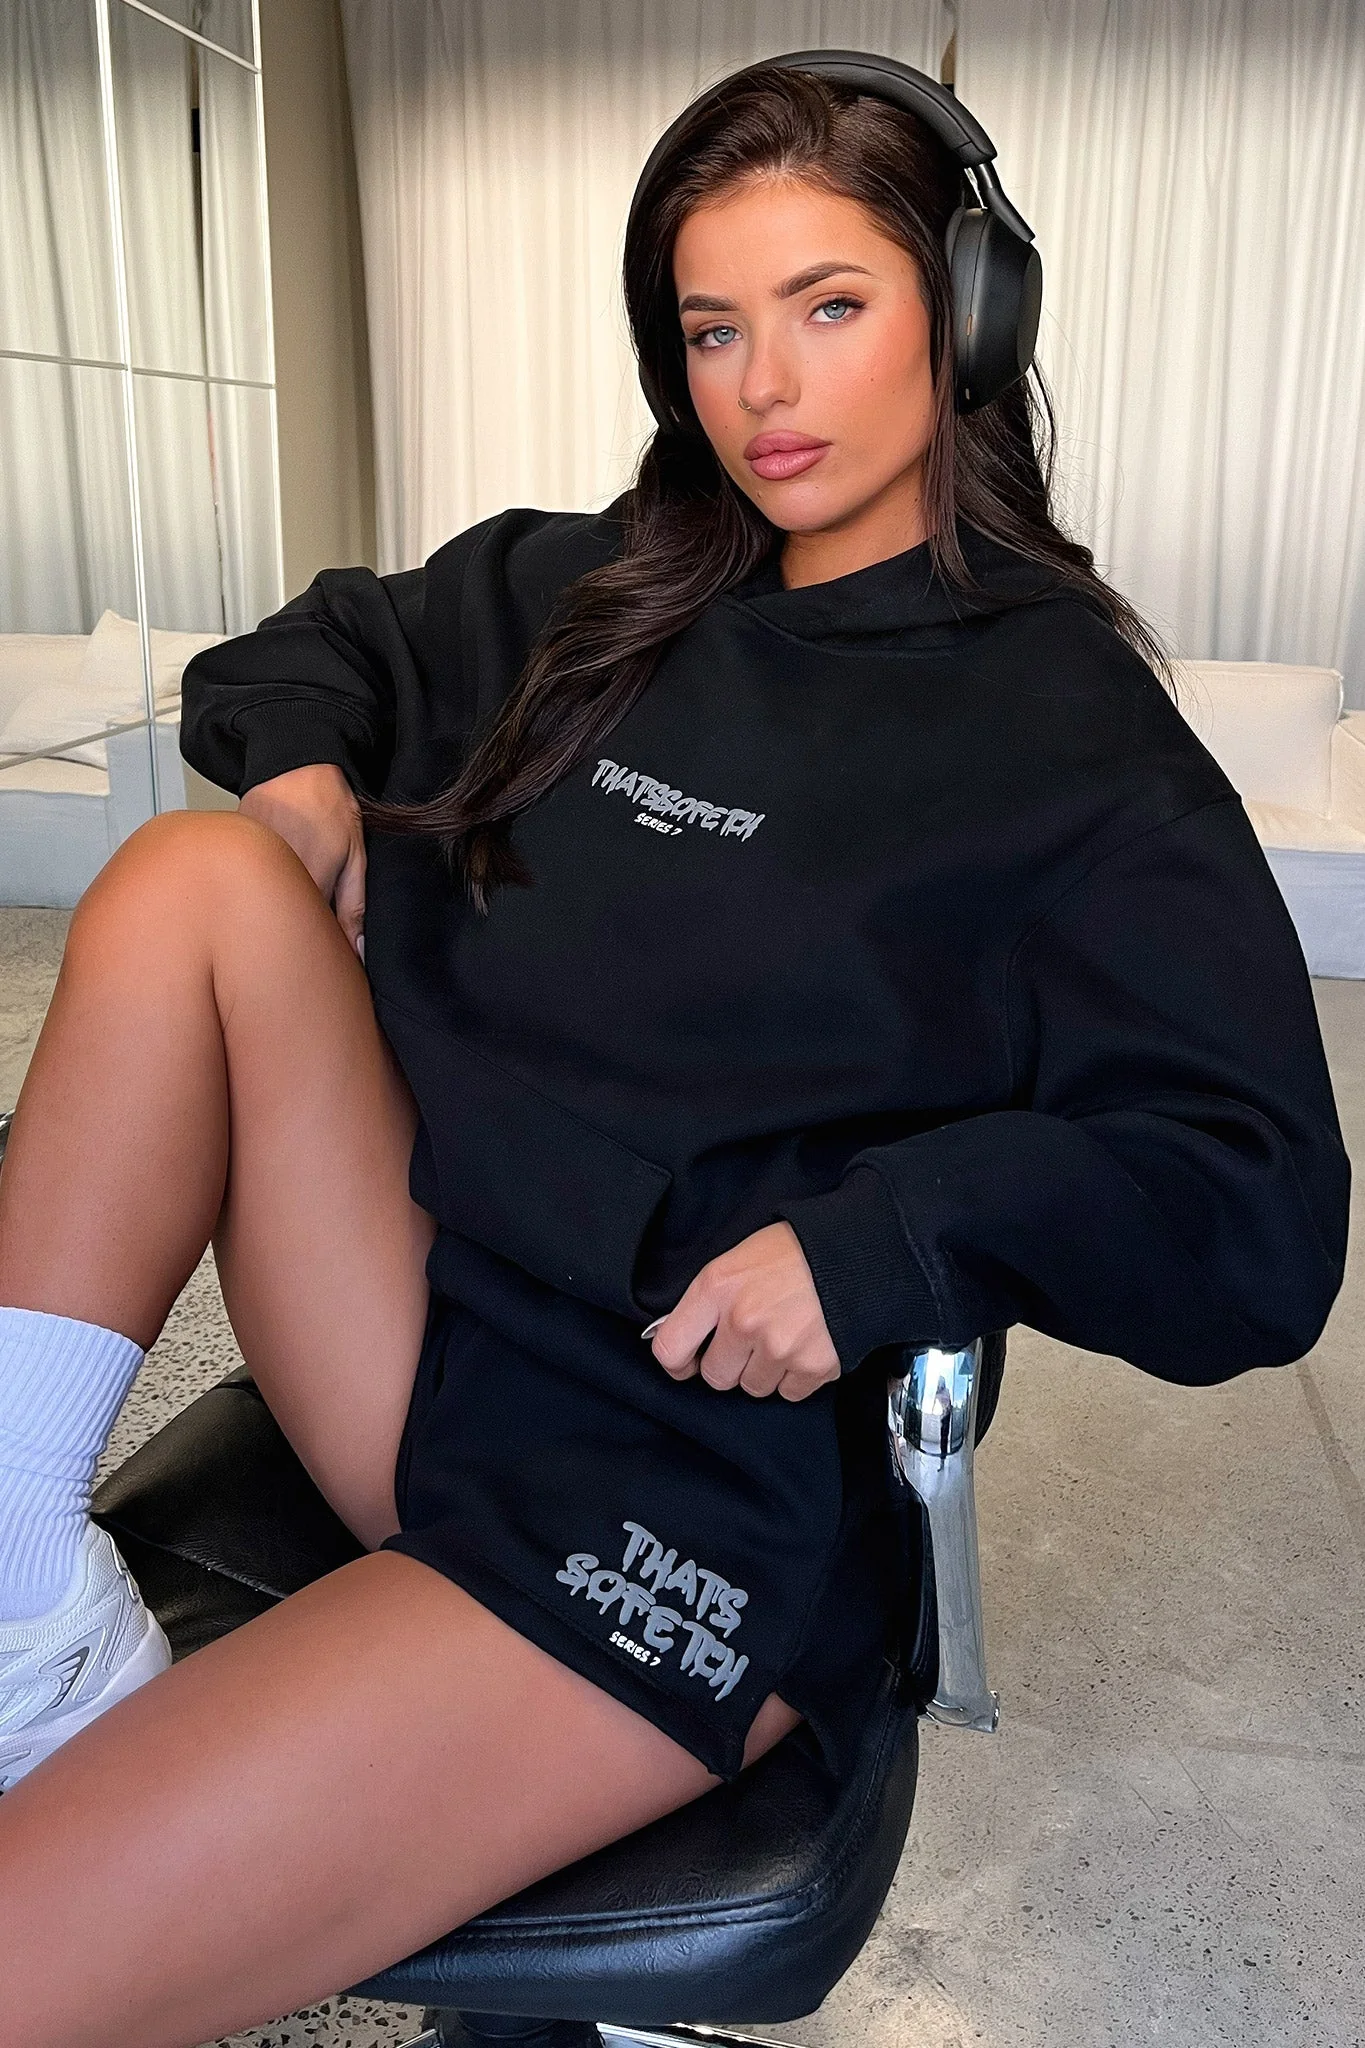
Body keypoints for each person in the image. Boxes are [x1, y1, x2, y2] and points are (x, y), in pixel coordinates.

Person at [0, 54, 1348, 2048]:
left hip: (680, 1477)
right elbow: (318, 645)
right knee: (195, 879)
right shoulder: (596, 596)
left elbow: (1255, 1205)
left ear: (969, 316)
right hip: (434, 1326)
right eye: (714, 329)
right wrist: (298, 776)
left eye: (830, 305)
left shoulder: (1069, 740)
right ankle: (20, 1609)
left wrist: (884, 1246)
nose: (764, 389)